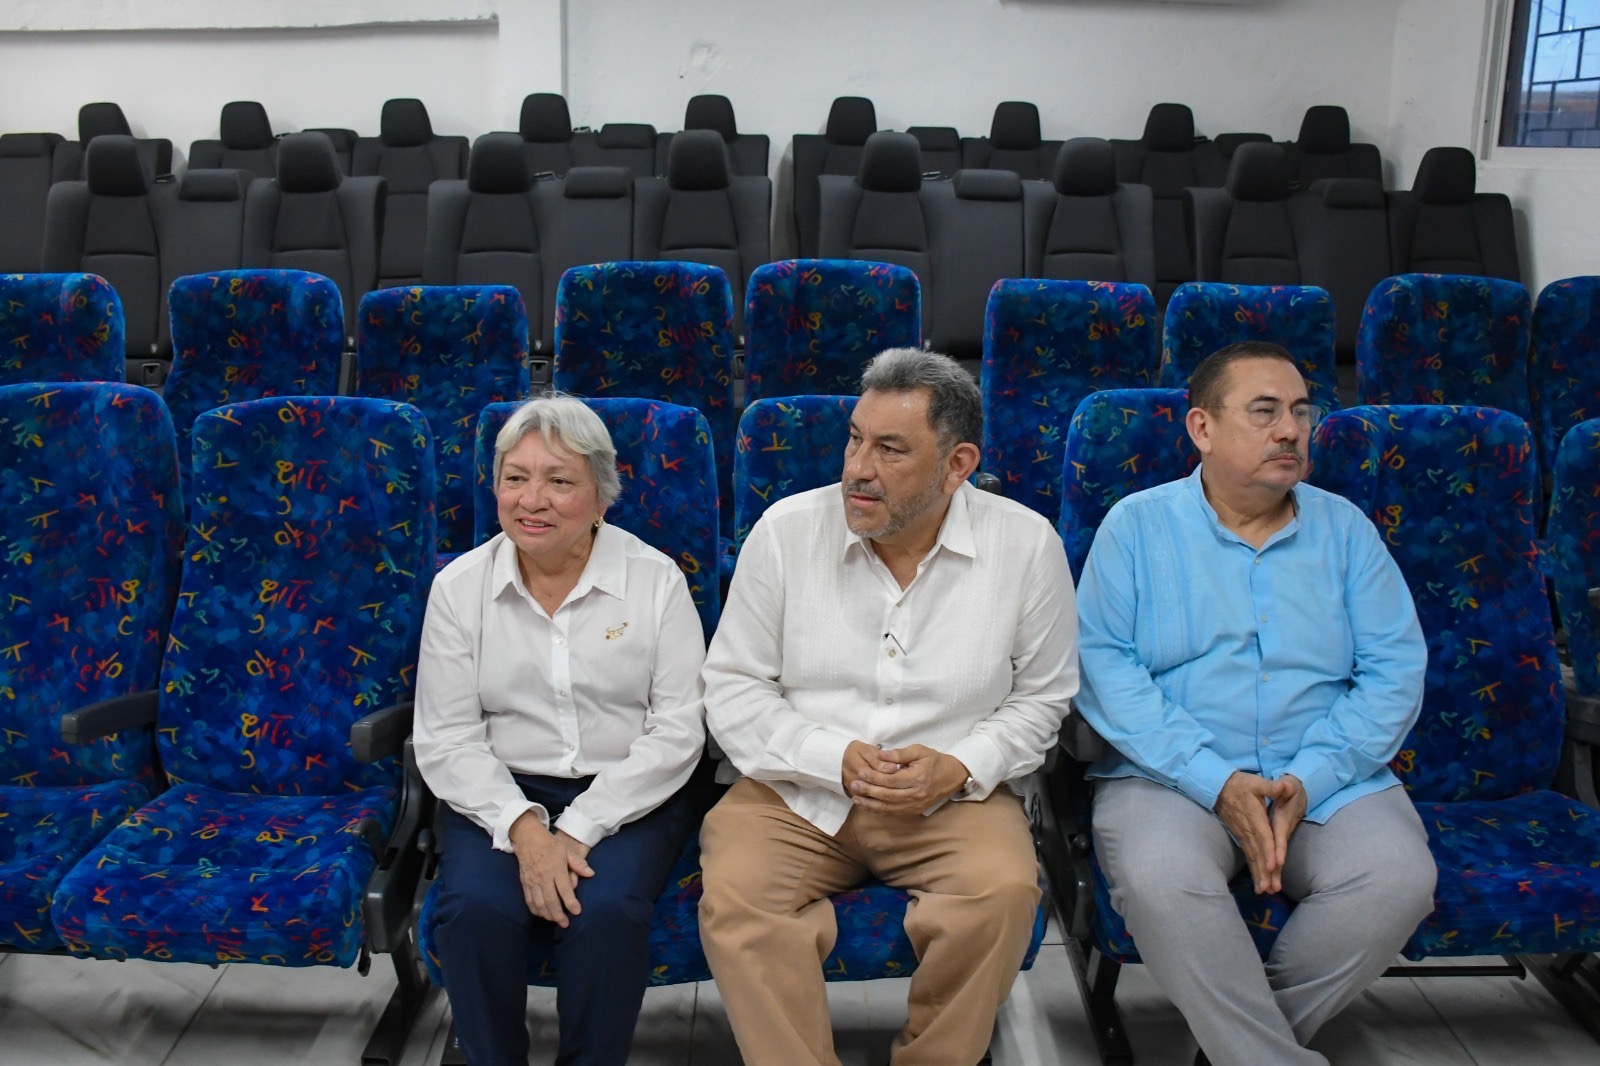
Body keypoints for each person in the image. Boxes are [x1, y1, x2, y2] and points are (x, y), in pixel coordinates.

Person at [698, 347, 1079, 1066]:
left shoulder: (1026, 546)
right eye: (855, 439)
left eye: (890, 449)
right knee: (740, 901)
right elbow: (733, 687)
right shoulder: (785, 533)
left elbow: (1044, 698)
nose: (857, 468)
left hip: (952, 799)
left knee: (1000, 894)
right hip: (795, 792)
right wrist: (828, 757)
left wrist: (961, 765)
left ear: (957, 465)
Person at [1074, 342, 1438, 1066]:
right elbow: (1102, 668)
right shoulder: (1137, 527)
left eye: (1302, 411)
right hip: (1168, 774)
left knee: (1397, 879)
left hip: (1327, 770)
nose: (1291, 431)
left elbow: (1396, 668)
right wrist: (1213, 779)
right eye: (1265, 412)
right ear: (1202, 429)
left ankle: (1236, 1048)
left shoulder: (1345, 532)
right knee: (1160, 879)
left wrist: (1315, 776)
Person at [413, 395, 707, 1066]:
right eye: (515, 478)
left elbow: (677, 730)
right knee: (475, 912)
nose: (531, 500)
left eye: (559, 480)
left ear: (603, 494)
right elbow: (448, 736)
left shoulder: (654, 582)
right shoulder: (460, 588)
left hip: (632, 792)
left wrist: (577, 828)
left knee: (606, 915)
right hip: (498, 789)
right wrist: (522, 828)